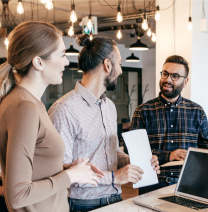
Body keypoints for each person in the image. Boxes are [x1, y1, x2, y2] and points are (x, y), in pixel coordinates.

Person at [0, 21, 103, 212]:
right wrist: (71, 176)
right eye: (62, 55)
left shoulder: (28, 103)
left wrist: (68, 169)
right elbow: (17, 195)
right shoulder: (24, 107)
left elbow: (34, 170)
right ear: (38, 62)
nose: (67, 62)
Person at [48, 35, 160, 212]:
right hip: (83, 204)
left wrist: (137, 163)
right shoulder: (64, 109)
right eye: (120, 64)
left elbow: (113, 152)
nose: (121, 71)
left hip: (116, 199)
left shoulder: (109, 106)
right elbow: (62, 171)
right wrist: (115, 177)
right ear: (108, 65)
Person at [130, 55, 208, 195]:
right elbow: (133, 154)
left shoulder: (197, 111)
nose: (168, 79)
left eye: (175, 76)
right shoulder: (143, 111)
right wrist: (168, 156)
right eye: (165, 74)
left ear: (185, 81)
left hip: (188, 183)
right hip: (152, 184)